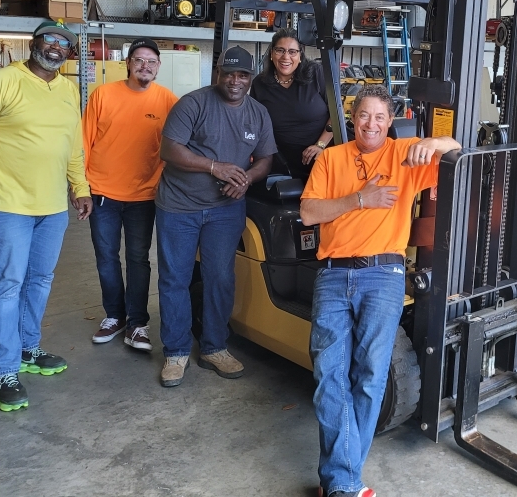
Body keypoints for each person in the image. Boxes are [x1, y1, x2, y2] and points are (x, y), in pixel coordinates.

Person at [300, 84, 460, 497]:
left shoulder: (405, 156)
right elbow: (308, 212)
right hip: (333, 274)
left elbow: (458, 148)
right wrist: (359, 198)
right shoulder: (331, 158)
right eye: (363, 115)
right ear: (352, 118)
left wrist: (433, 140)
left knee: (370, 377)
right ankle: (346, 484)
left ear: (391, 121)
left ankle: (339, 482)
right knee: (329, 375)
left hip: (384, 275)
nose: (370, 124)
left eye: (379, 117)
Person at [0, 20, 93, 413]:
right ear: (34, 43)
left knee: (40, 280)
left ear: (68, 53)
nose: (55, 47)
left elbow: (72, 149)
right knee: (7, 285)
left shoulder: (68, 90)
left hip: (52, 209)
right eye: (48, 39)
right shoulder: (0, 83)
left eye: (63, 43)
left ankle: (28, 350)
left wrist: (79, 188)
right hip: (7, 206)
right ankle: (3, 371)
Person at [155, 45, 277, 387]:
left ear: (251, 78)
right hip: (179, 206)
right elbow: (169, 149)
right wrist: (215, 167)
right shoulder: (193, 103)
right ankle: (176, 351)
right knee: (175, 278)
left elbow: (265, 158)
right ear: (218, 74)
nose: (235, 81)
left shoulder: (258, 113)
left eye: (242, 75)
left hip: (226, 210)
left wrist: (246, 181)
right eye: (229, 73)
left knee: (220, 278)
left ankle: (213, 347)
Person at [82, 38, 178, 352]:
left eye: (151, 61)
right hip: (102, 193)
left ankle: (137, 323)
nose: (145, 66)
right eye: (139, 60)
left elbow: (183, 144)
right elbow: (83, 142)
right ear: (128, 63)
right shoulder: (103, 95)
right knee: (106, 258)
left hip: (144, 195)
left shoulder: (168, 101)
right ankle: (114, 316)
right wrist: (80, 188)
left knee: (138, 259)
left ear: (159, 66)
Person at [249, 28, 333, 180]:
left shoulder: (317, 73)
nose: (285, 57)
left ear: (300, 55)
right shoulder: (260, 84)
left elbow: (337, 114)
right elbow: (255, 125)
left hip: (322, 154)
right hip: (280, 159)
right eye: (280, 50)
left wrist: (320, 145)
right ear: (271, 54)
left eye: (292, 51)